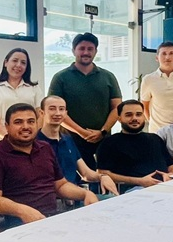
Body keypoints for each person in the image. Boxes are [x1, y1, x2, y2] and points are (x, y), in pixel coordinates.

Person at [0, 103, 98, 227]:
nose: (26, 127)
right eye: (18, 122)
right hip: (17, 224)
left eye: (31, 121)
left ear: (37, 124)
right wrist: (22, 211)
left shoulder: (45, 148)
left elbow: (60, 185)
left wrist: (85, 194)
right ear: (7, 126)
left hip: (53, 219)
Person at [48, 32, 122, 169]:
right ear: (73, 50)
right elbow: (56, 112)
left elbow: (117, 108)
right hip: (71, 140)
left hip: (103, 140)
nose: (86, 52)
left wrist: (103, 131)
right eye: (81, 48)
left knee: (105, 176)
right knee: (76, 178)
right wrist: (82, 132)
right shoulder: (60, 78)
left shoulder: (108, 77)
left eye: (90, 49)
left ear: (96, 51)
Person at [36, 95, 118, 196]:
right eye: (52, 109)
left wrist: (102, 177)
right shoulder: (35, 143)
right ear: (41, 113)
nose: (57, 113)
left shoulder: (68, 140)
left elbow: (86, 173)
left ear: (66, 113)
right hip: (51, 197)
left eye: (61, 109)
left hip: (76, 196)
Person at [96, 100, 173, 192]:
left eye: (138, 114)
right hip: (133, 189)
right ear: (119, 119)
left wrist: (168, 175)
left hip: (165, 186)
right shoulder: (109, 143)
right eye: (128, 115)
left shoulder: (155, 139)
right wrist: (140, 181)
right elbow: (103, 173)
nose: (134, 118)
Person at [0, 47, 44, 144]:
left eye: (23, 63)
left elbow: (41, 116)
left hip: (28, 141)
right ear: (5, 63)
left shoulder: (34, 88)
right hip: (0, 141)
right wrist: (9, 138)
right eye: (15, 60)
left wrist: (30, 136)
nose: (18, 65)